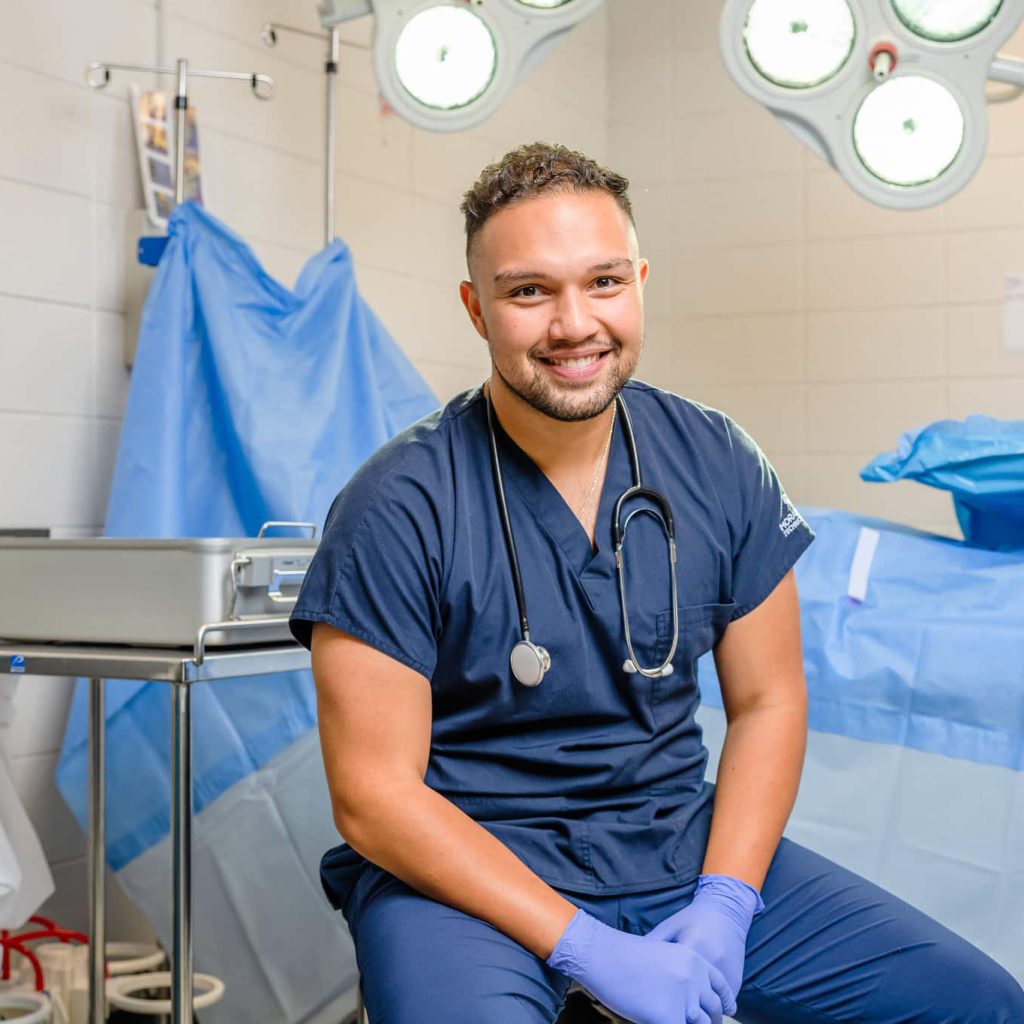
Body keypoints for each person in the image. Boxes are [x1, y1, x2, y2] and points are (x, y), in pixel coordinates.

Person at [289, 143, 1024, 1024]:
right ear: (476, 310)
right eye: (529, 291)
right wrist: (584, 945)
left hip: (677, 844)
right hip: (466, 875)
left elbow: (768, 704)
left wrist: (724, 903)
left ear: (638, 281)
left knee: (977, 1005)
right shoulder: (398, 504)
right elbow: (374, 798)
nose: (573, 325)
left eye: (602, 283)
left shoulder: (717, 460)